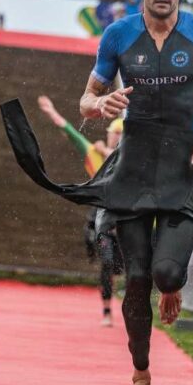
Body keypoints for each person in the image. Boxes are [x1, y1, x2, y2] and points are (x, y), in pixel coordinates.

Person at [59, 0, 193, 385]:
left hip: (182, 161)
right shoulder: (119, 34)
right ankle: (141, 372)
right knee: (138, 277)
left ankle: (174, 280)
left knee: (166, 274)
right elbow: (86, 100)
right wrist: (99, 104)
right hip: (134, 162)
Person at [36, 95, 124, 327]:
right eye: (112, 134)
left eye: (117, 135)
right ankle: (106, 311)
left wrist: (107, 153)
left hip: (128, 220)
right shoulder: (94, 154)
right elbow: (72, 135)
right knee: (107, 263)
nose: (112, 137)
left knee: (125, 267)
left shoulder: (132, 159)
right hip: (103, 220)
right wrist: (52, 112)